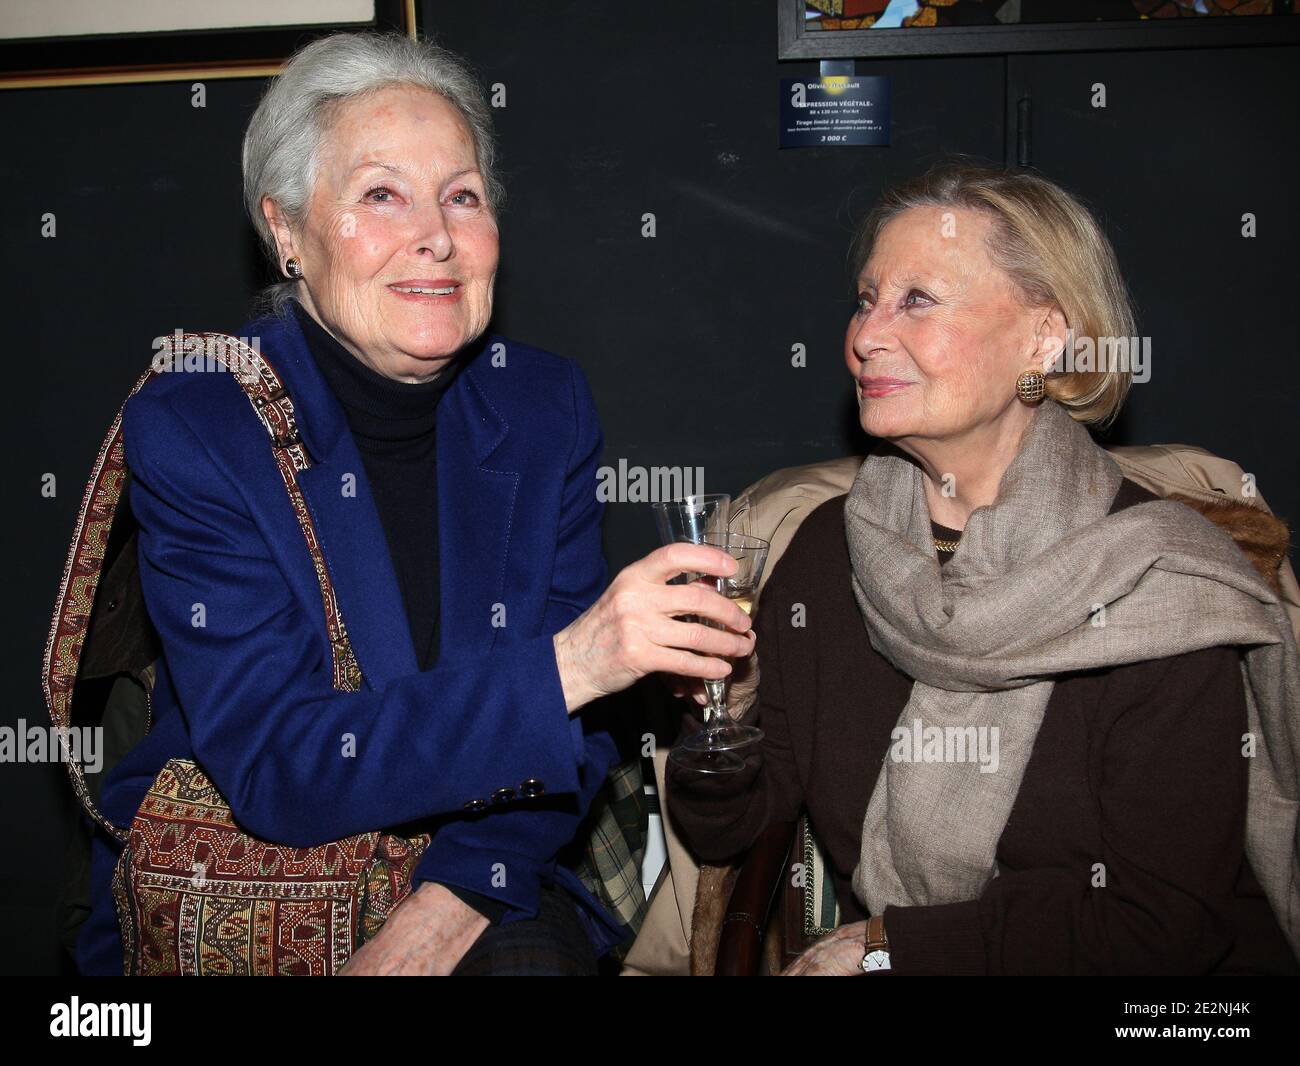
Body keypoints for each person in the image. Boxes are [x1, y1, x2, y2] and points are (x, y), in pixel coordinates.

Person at [75, 31, 754, 976]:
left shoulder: (540, 406)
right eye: (380, 194)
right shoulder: (200, 424)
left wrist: (456, 897)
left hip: (491, 856)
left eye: (462, 196)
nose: (435, 234)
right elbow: (279, 767)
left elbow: (584, 729)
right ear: (286, 233)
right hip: (253, 881)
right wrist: (578, 658)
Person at [666, 160, 1300, 975]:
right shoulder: (828, 552)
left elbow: (1162, 928)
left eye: (917, 300)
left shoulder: (1161, 582)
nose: (865, 336)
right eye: (866, 299)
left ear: (1043, 338)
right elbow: (738, 827)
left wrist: (892, 949)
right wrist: (716, 715)